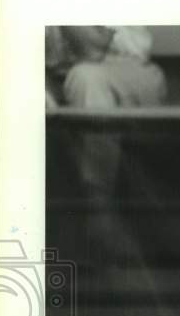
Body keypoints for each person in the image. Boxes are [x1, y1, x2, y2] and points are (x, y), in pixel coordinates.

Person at [46, 26, 167, 258]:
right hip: (60, 75)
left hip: (129, 71)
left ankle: (98, 210)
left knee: (87, 80)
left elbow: (92, 49)